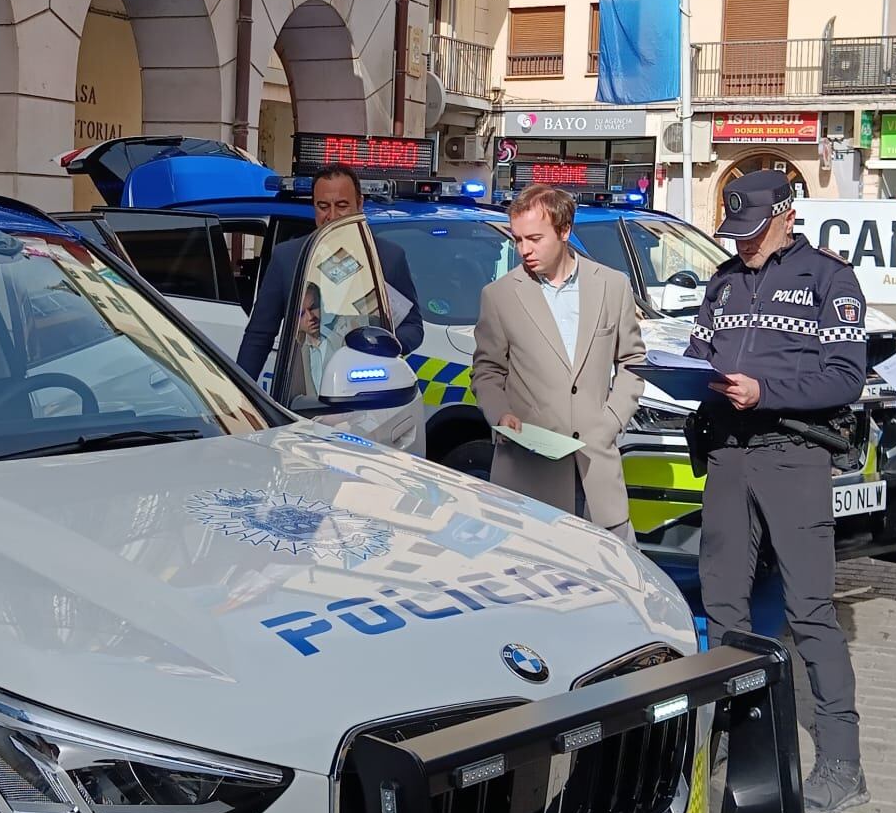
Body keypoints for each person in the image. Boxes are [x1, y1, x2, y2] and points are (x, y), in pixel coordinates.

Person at [687, 169, 870, 813]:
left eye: (752, 231)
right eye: (733, 231)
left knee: (811, 610)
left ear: (787, 214)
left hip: (794, 456)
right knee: (725, 608)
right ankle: (731, 746)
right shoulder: (725, 278)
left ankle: (842, 762)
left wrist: (769, 394)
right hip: (729, 456)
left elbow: (846, 377)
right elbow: (699, 347)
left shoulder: (830, 279)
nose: (741, 244)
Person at [470, 182, 645, 538]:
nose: (524, 250)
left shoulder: (612, 286)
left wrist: (611, 420)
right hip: (528, 477)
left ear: (565, 230)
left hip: (597, 474)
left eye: (534, 238)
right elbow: (487, 370)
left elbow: (632, 361)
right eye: (518, 240)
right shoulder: (500, 296)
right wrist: (500, 413)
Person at [237, 162, 424, 382]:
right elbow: (259, 335)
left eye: (342, 205)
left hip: (370, 385)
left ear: (359, 204)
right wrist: (239, 397)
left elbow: (413, 327)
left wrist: (383, 346)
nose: (332, 215)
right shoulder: (287, 258)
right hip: (303, 389)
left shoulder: (388, 258)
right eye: (323, 206)